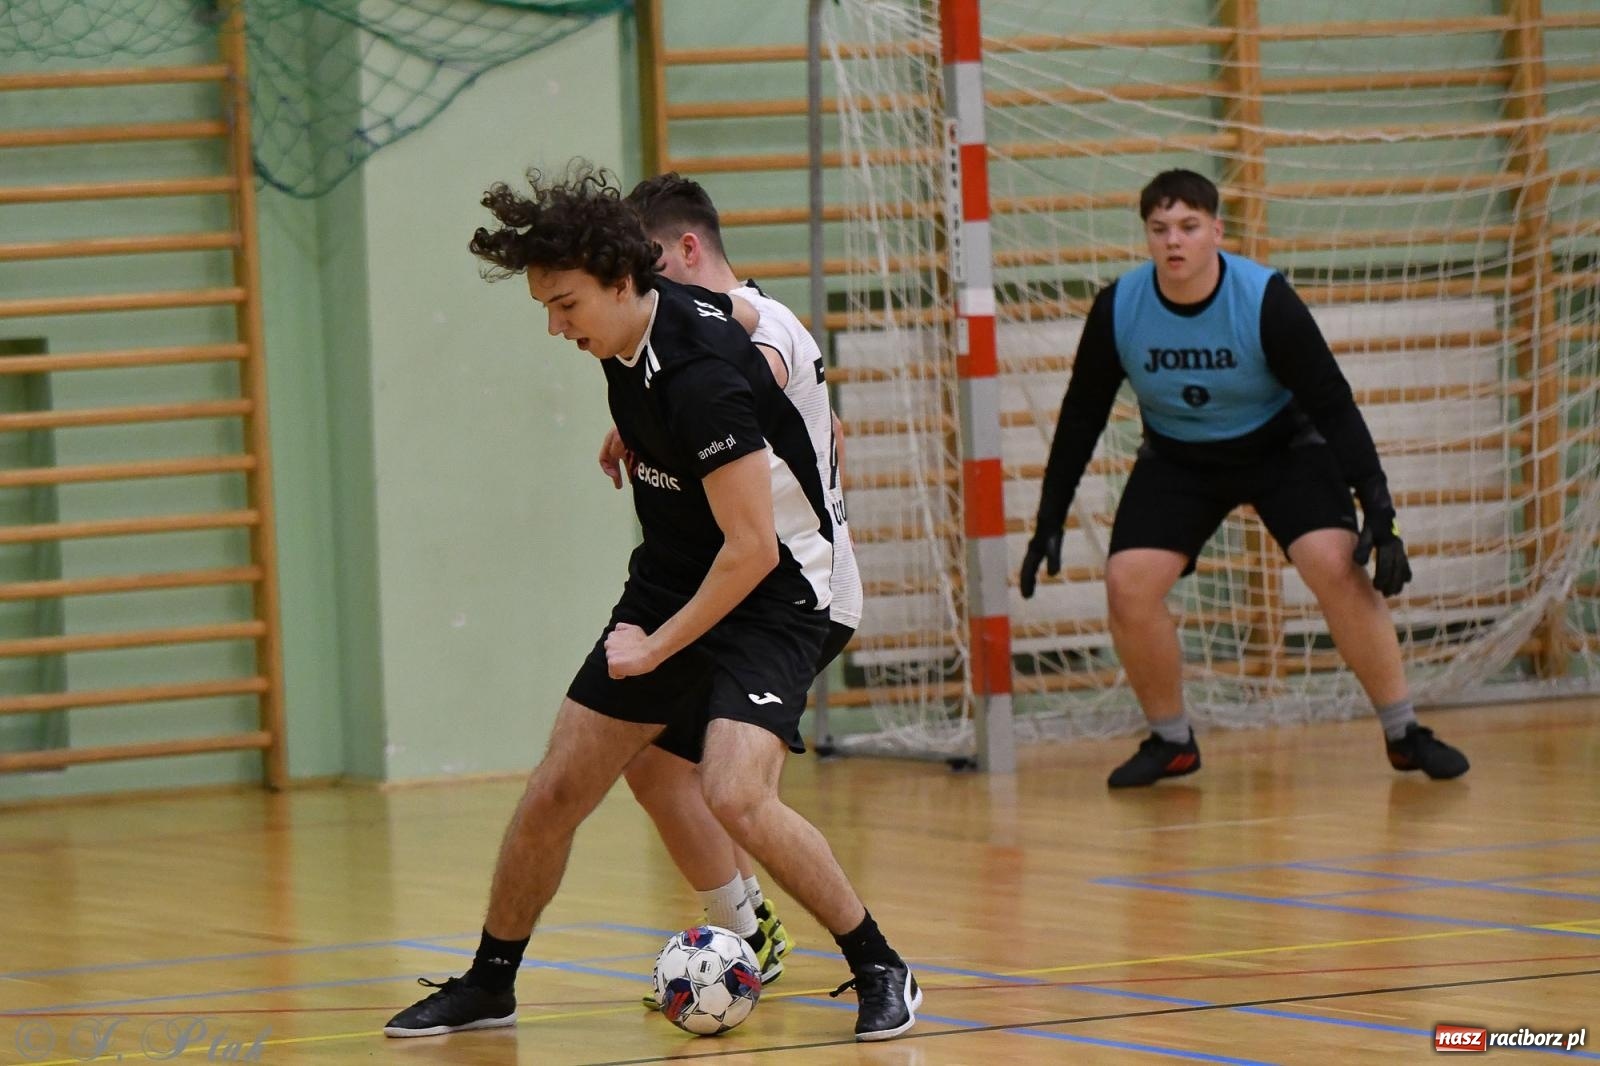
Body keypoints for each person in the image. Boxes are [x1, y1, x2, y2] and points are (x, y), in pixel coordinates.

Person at [383, 163, 920, 1042]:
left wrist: (655, 647)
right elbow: (744, 315)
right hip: (673, 578)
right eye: (546, 309)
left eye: (566, 306)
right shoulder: (642, 330)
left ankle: (879, 965)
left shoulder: (702, 378)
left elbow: (750, 551)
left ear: (626, 281)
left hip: (778, 595)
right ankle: (490, 981)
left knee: (735, 791)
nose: (556, 327)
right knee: (559, 786)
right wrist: (637, 429)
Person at [1019, 168, 1470, 789]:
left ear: (1216, 232)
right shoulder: (1120, 307)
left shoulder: (1264, 300)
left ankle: (1403, 731)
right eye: (1159, 229)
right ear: (1146, 237)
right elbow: (1080, 417)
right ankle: (1171, 741)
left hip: (1283, 449)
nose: (1173, 241)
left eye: (1188, 227)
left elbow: (1334, 404)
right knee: (1128, 583)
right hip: (1180, 459)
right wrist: (1049, 517)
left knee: (1335, 564)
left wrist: (1381, 511)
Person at [597, 172, 862, 1006]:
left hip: (796, 592)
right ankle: (750, 937)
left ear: (686, 250)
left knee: (734, 785)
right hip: (732, 588)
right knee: (651, 769)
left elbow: (754, 368)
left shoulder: (765, 322)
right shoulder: (669, 354)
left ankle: (872, 956)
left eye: (647, 271)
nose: (639, 296)